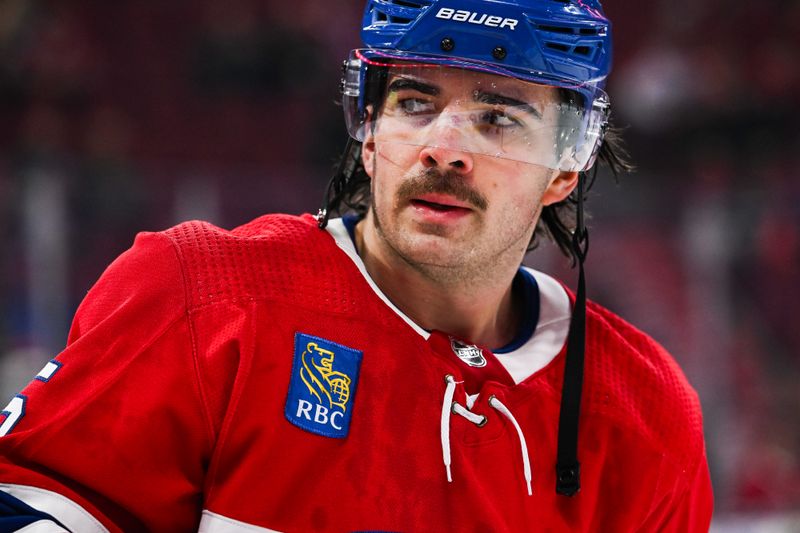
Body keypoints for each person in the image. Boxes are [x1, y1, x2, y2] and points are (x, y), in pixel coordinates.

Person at [0, 0, 713, 531]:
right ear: (368, 136)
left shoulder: (642, 413)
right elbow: (36, 500)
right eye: (413, 102)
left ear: (565, 168)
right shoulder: (203, 297)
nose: (442, 146)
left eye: (498, 118)